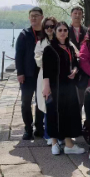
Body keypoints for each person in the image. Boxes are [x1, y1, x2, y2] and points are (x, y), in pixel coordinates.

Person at [42, 21, 85, 155]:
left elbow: (75, 63)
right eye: (59, 30)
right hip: (55, 86)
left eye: (65, 30)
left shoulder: (70, 47)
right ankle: (54, 143)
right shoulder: (49, 49)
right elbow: (46, 71)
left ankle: (68, 144)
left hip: (69, 86)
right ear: (55, 32)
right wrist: (46, 87)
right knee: (53, 112)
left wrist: (75, 70)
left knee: (68, 114)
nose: (62, 32)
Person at [16, 6, 46, 140]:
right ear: (29, 18)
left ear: (42, 17)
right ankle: (28, 128)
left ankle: (39, 127)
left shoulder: (46, 33)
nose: (33, 18)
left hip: (42, 74)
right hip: (27, 75)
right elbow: (19, 55)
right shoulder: (24, 34)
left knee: (41, 102)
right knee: (26, 102)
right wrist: (20, 73)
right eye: (31, 16)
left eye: (36, 15)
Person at [35, 16, 57, 144]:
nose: (49, 29)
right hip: (45, 77)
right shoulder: (40, 43)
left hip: (60, 76)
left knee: (59, 106)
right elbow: (38, 60)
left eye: (52, 26)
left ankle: (59, 136)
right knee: (47, 104)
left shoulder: (62, 40)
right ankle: (48, 135)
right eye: (47, 26)